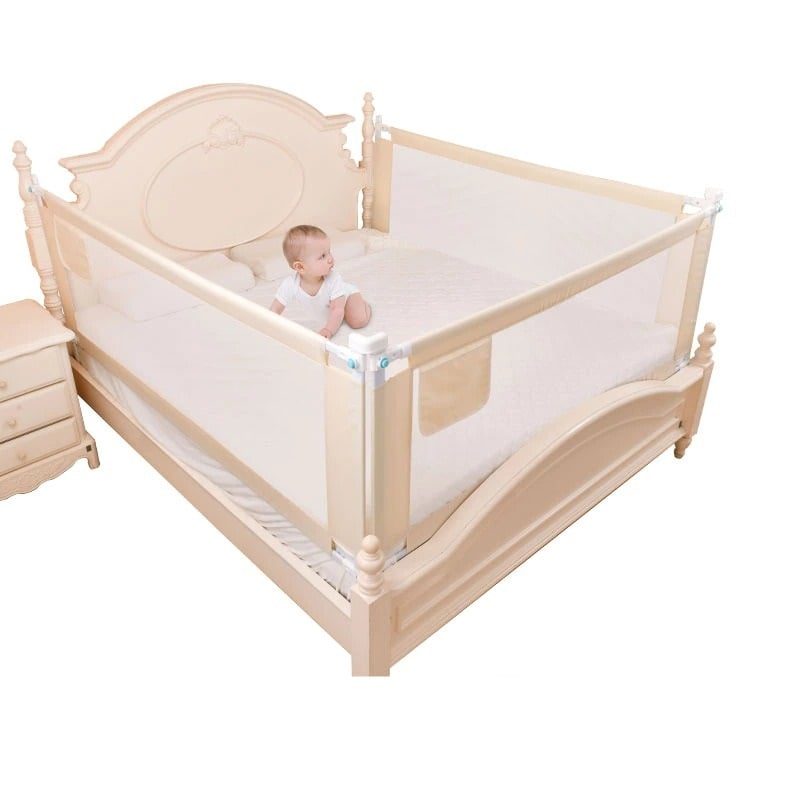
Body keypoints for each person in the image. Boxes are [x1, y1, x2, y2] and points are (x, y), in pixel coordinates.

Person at [269, 224, 371, 339]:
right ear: (300, 267)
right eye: (322, 256)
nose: (330, 258)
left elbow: (337, 310)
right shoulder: (290, 284)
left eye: (329, 252)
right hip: (331, 308)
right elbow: (275, 309)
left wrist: (328, 330)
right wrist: (270, 325)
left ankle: (365, 305)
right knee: (335, 317)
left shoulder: (333, 278)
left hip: (347, 296)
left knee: (357, 321)